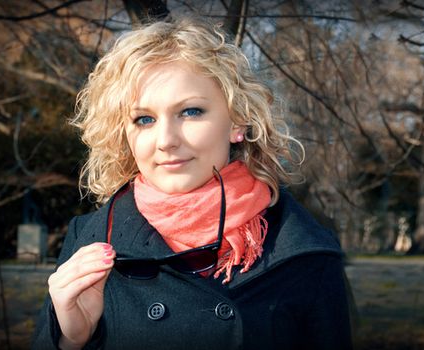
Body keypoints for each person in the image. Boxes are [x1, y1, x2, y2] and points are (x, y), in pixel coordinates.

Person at [33, 17, 352, 349]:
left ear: (237, 122)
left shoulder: (303, 251)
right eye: (144, 119)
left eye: (190, 112)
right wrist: (73, 339)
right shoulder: (91, 241)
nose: (166, 140)